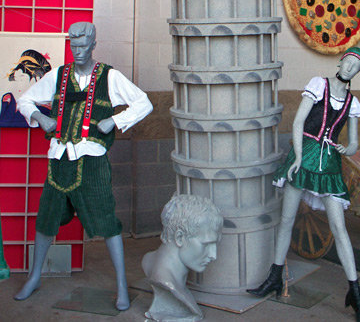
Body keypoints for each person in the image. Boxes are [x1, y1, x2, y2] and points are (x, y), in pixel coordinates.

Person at [14, 22, 153, 311]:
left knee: (107, 223)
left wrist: (114, 120)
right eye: (73, 46)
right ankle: (35, 276)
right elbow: (25, 99)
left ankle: (121, 286)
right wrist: (41, 119)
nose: (78, 51)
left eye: (83, 46)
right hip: (59, 161)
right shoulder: (58, 76)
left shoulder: (109, 76)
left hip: (93, 164)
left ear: (93, 45)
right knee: (46, 218)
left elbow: (144, 103)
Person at [247, 47, 360, 322]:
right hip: (303, 159)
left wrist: (348, 149)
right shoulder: (319, 85)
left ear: (358, 72)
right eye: (348, 62)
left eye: (356, 67)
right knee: (287, 219)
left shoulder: (352, 103)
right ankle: (275, 277)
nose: (350, 68)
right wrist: (299, 156)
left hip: (329, 165)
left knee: (339, 229)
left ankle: (356, 296)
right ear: (341, 62)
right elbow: (298, 121)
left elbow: (353, 143)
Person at [142, 194, 223, 322]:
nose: (214, 255)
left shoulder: (148, 260)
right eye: (206, 245)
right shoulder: (164, 280)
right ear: (180, 238)